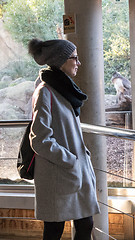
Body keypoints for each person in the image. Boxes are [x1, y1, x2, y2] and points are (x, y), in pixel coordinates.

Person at [28, 38, 100, 240]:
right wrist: (70, 159)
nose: (78, 63)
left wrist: (78, 158)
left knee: (85, 225)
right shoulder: (45, 91)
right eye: (74, 58)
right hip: (59, 174)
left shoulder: (64, 89)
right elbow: (39, 139)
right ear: (61, 60)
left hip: (72, 173)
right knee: (54, 230)